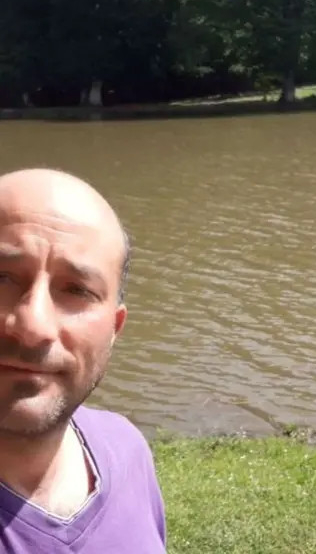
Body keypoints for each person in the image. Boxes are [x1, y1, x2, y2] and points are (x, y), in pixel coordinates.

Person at [0, 168, 166, 553]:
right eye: (1, 278)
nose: (33, 326)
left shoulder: (126, 449)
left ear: (114, 328)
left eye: (77, 290)